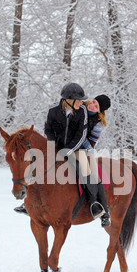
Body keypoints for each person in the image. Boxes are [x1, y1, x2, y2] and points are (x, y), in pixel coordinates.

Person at [44, 82, 105, 220]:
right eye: (79, 101)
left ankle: (94, 203)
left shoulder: (81, 111)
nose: (82, 103)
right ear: (69, 101)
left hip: (76, 149)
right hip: (56, 147)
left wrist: (68, 150)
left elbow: (81, 134)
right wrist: (54, 146)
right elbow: (48, 130)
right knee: (38, 163)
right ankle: (29, 200)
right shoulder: (53, 111)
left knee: (85, 168)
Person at [83, 95, 111, 228]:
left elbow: (92, 143)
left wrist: (79, 140)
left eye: (96, 106)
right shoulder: (80, 107)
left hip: (86, 149)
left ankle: (103, 212)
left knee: (94, 175)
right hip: (67, 145)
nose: (92, 105)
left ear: (100, 111)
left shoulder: (99, 123)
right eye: (93, 102)